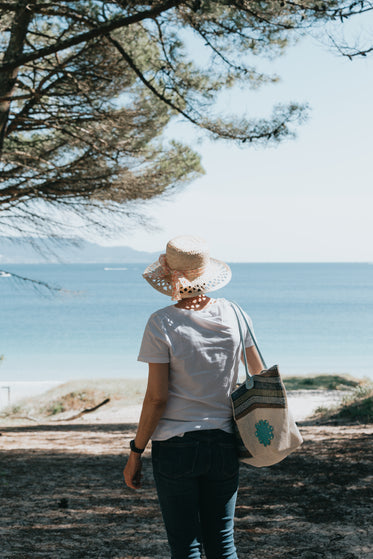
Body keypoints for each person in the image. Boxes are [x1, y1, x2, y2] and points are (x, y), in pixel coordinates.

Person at [123, 235, 264, 559]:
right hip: (224, 441)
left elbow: (157, 398)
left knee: (186, 546)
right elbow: (257, 373)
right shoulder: (235, 314)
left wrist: (136, 452)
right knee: (222, 542)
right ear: (206, 274)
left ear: (169, 273)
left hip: (175, 446)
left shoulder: (161, 323)